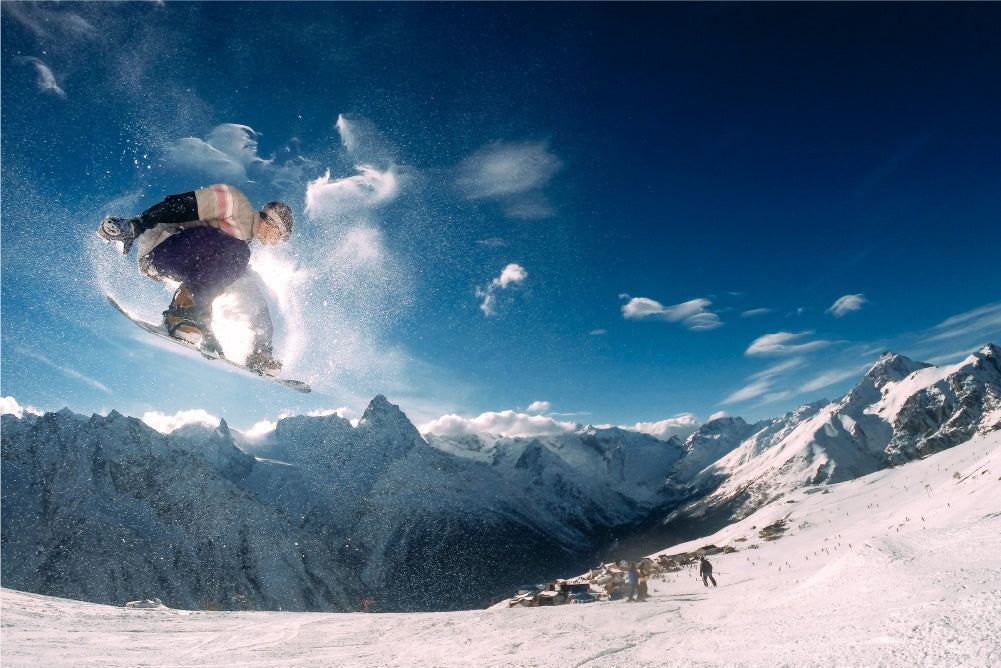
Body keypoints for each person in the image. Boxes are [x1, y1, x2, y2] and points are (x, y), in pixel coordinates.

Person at [98, 184, 293, 376]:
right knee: (239, 253)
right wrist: (139, 224)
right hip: (161, 250)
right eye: (280, 237)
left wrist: (207, 331)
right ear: (274, 225)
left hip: (195, 260)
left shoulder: (241, 244)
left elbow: (242, 294)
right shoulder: (235, 203)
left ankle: (259, 353)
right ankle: (181, 312)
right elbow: (182, 204)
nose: (276, 243)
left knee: (252, 293)